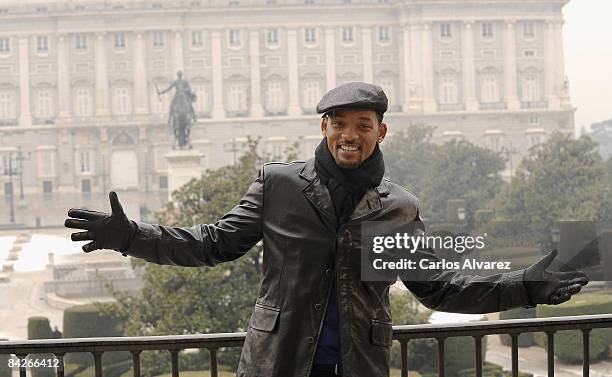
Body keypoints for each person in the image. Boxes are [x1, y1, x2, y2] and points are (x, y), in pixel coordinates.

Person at [64, 82, 588, 377]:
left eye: (362, 125)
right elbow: (214, 244)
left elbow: (438, 287)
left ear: (381, 131)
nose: (349, 135)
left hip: (359, 368)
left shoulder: (398, 208)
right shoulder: (278, 185)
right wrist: (132, 236)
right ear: (324, 127)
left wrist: (524, 286)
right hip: (280, 365)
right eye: (339, 124)